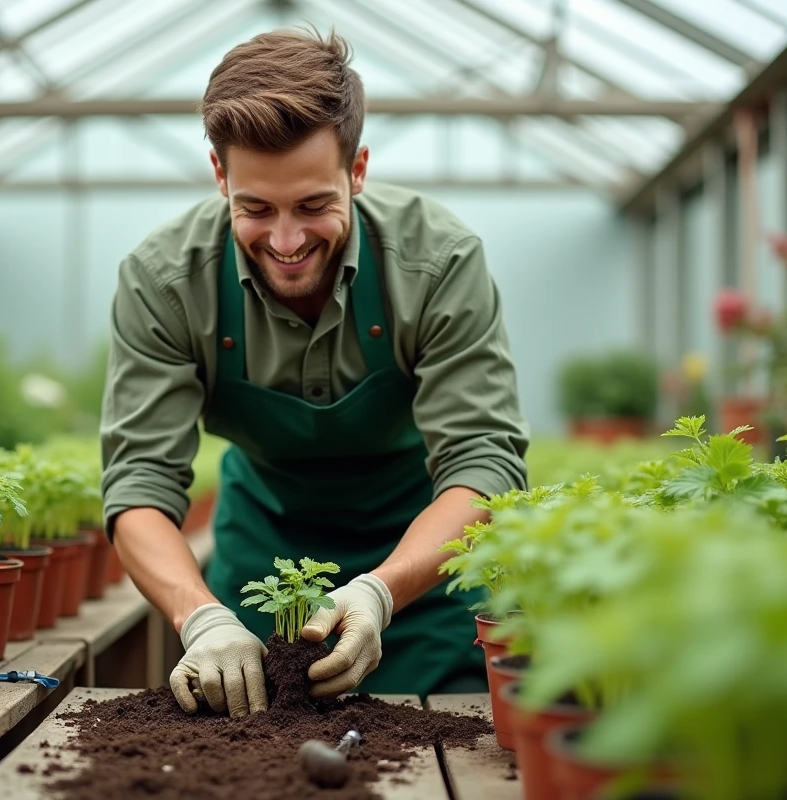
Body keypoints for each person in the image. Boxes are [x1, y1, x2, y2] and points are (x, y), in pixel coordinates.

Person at [100, 26, 529, 718]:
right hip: (263, 551)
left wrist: (381, 591)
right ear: (220, 176)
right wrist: (200, 617)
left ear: (356, 171)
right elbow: (138, 483)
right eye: (256, 209)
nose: (288, 241)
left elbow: (484, 461)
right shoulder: (165, 280)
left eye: (314, 205)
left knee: (443, 748)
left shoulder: (437, 261)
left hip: (422, 559)